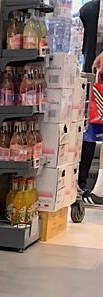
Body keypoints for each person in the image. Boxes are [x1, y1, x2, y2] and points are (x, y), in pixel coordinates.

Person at [79, 0, 103, 203]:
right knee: (90, 129)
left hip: (92, 75)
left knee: (88, 130)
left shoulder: (87, 10)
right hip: (95, 75)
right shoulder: (88, 10)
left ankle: (82, 182)